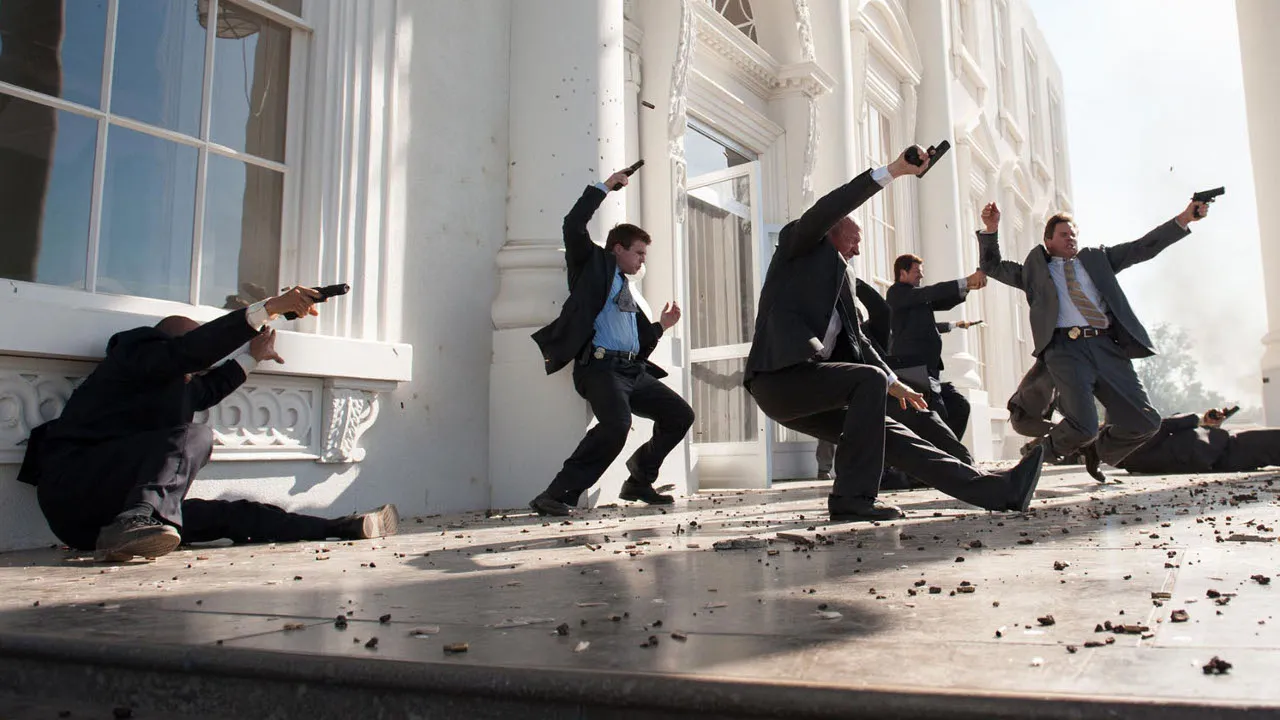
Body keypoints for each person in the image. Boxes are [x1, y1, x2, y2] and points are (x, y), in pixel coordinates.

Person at [744, 146, 1045, 522]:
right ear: (831, 232)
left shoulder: (842, 283)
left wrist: (893, 382)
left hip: (814, 387)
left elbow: (861, 341)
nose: (857, 250)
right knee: (867, 381)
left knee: (893, 434)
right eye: (853, 240)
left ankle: (998, 491)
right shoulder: (797, 246)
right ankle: (852, 498)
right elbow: (832, 206)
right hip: (778, 380)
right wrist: (894, 171)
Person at [16, 287, 400, 562]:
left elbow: (211, 386)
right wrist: (269, 308)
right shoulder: (133, 353)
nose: (197, 371)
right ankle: (136, 519)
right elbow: (188, 353)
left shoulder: (180, 388)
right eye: (193, 358)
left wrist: (253, 357)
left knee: (232, 516)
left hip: (103, 524)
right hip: (73, 492)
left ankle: (341, 527)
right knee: (196, 435)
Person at [977, 198, 1210, 472]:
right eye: (1063, 234)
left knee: (1146, 421)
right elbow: (992, 266)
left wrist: (1184, 218)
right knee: (1083, 426)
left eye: (1073, 234)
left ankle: (1096, 451)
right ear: (1048, 241)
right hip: (1066, 351)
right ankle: (1032, 461)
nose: (1071, 238)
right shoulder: (1034, 272)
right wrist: (991, 229)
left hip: (1106, 346)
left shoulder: (1098, 260)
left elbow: (1142, 247)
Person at [529, 167, 693, 517]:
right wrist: (604, 187)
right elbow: (573, 224)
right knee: (616, 426)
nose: (642, 260)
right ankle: (556, 493)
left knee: (680, 415)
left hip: (631, 371)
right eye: (639, 253)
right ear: (618, 249)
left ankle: (639, 480)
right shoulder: (591, 266)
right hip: (600, 369)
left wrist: (661, 325)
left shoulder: (626, 288)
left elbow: (635, 338)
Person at [886, 253, 986, 442]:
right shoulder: (897, 293)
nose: (921, 275)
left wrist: (968, 287)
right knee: (937, 415)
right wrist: (965, 280)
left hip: (929, 370)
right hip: (913, 370)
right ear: (902, 273)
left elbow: (942, 300)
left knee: (960, 406)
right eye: (917, 272)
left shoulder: (916, 298)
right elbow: (932, 292)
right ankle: (943, 454)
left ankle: (946, 452)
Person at [1117, 408, 1280, 475]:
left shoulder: (1133, 461)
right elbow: (1164, 425)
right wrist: (1201, 418)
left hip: (1216, 456)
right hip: (1221, 449)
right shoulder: (1133, 448)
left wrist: (1208, 424)